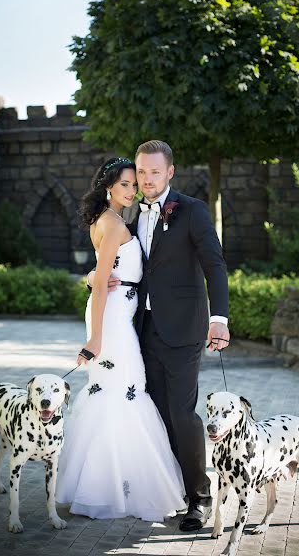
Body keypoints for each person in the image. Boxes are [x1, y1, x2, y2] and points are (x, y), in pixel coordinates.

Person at [85, 140, 230, 532]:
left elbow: (214, 265)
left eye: (153, 172)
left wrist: (219, 318)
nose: (146, 180)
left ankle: (200, 499)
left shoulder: (193, 211)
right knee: (157, 412)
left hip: (184, 330)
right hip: (142, 331)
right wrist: (92, 279)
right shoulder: (132, 218)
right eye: (141, 172)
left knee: (182, 414)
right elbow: (120, 265)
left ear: (170, 172)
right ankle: (174, 490)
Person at [55, 156, 186, 521]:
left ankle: (106, 484)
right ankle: (111, 489)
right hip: (110, 322)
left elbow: (99, 274)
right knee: (126, 391)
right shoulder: (112, 224)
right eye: (125, 184)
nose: (132, 190)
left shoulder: (111, 220)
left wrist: (92, 279)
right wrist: (95, 339)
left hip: (118, 313)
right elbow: (99, 287)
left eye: (134, 184)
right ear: (108, 186)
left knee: (116, 392)